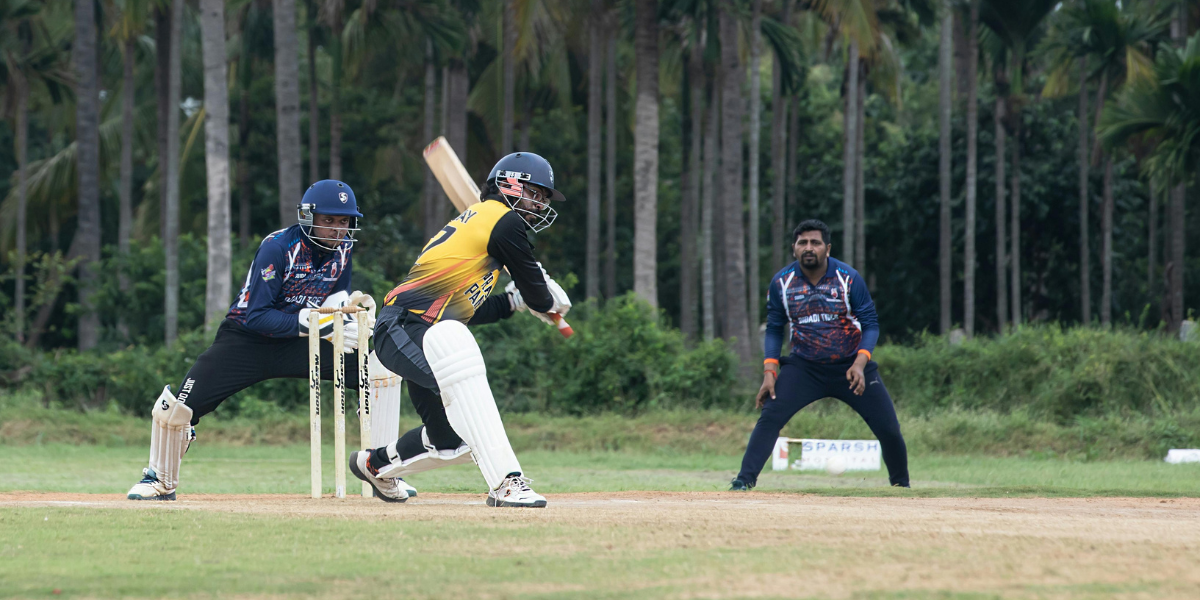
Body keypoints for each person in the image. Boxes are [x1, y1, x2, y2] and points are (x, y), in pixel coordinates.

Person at [127, 180, 374, 501]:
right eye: (328, 220)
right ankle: (158, 480)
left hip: (302, 340)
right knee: (177, 410)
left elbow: (337, 296)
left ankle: (382, 468)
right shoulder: (278, 247)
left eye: (344, 222)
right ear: (308, 217)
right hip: (247, 340)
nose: (337, 230)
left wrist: (349, 318)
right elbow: (258, 315)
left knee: (377, 372)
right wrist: (321, 324)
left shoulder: (344, 249)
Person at [349, 151, 571, 508]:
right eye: (536, 194)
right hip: (403, 326)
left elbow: (466, 311)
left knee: (448, 440)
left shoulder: (486, 231)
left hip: (427, 331)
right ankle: (507, 484)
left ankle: (374, 464)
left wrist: (516, 302)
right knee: (464, 391)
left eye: (544, 198)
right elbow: (536, 291)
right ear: (510, 185)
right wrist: (546, 302)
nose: (540, 204)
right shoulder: (503, 222)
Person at [731, 219, 910, 490]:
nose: (808, 247)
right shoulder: (782, 282)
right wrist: (770, 372)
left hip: (851, 366)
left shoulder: (848, 278)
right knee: (770, 416)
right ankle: (743, 482)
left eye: (815, 242)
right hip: (804, 368)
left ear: (827, 248)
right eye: (802, 242)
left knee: (889, 428)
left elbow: (871, 324)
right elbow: (774, 328)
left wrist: (861, 363)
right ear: (794, 249)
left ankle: (901, 487)